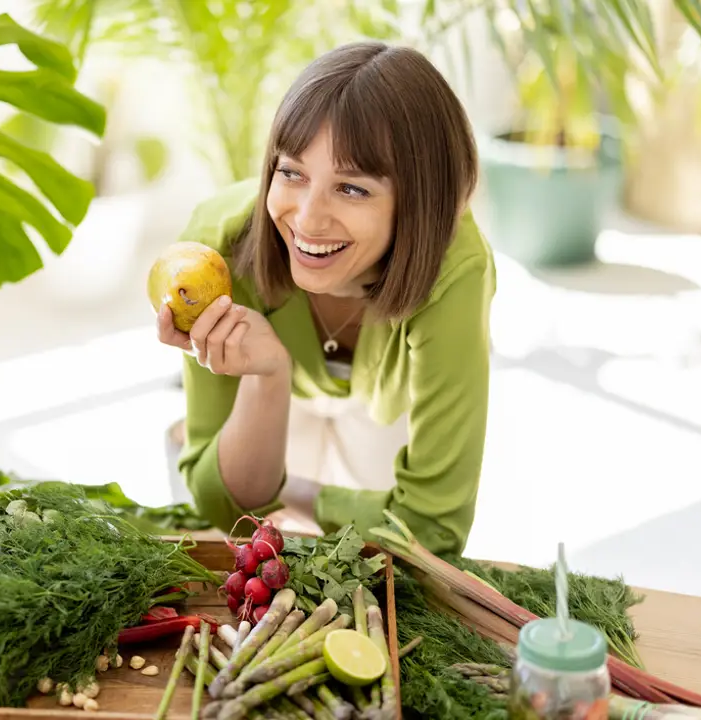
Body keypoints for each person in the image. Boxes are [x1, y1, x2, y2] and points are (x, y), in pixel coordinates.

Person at [156, 41, 495, 556]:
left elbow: (431, 530)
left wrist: (299, 495)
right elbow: (222, 507)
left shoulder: (455, 269)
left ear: (420, 200)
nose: (308, 220)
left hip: (385, 401)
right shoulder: (217, 250)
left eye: (352, 189)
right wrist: (266, 376)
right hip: (283, 391)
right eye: (292, 173)